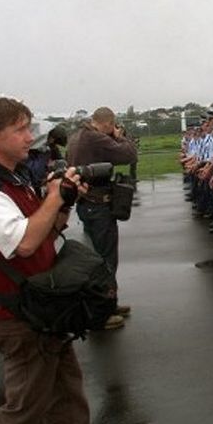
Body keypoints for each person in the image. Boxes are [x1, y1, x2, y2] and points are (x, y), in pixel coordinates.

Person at [0, 96, 89, 424]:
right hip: (19, 317)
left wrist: (65, 200)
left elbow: (49, 229)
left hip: (43, 309)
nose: (30, 137)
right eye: (20, 130)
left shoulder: (13, 178)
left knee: (68, 401)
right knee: (22, 413)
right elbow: (24, 243)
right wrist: (53, 197)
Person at [66, 106, 137, 329]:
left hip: (87, 203)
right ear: (107, 123)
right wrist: (120, 137)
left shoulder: (77, 136)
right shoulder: (95, 137)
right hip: (98, 205)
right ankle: (101, 312)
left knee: (99, 256)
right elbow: (129, 154)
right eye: (112, 126)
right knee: (105, 259)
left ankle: (109, 303)